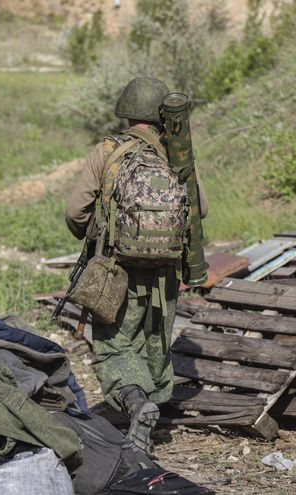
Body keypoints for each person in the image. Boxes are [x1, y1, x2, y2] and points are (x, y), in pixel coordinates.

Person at [65, 76, 208, 453]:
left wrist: (90, 233)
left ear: (127, 110)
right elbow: (201, 209)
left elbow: (75, 211)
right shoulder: (177, 153)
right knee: (156, 340)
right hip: (166, 272)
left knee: (114, 342)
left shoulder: (108, 152)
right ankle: (152, 410)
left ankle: (134, 403)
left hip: (116, 269)